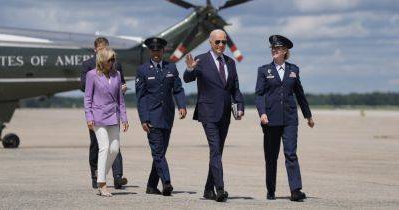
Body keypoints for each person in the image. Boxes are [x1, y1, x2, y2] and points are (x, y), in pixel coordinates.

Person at [184, 29, 244, 202]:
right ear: (210, 42)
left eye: (224, 42)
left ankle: (207, 189)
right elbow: (188, 78)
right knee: (215, 150)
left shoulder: (230, 62)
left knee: (217, 152)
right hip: (208, 113)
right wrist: (190, 69)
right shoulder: (201, 60)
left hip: (225, 114)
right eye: (217, 42)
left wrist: (239, 106)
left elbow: (235, 88)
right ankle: (220, 189)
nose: (221, 45)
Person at [255, 35, 315, 202]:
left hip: (290, 119)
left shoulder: (293, 70)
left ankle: (295, 190)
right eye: (273, 48)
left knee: (291, 154)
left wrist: (308, 115)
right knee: (271, 156)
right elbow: (259, 95)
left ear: (285, 51)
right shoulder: (263, 70)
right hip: (270, 119)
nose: (274, 50)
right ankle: (271, 190)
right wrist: (262, 113)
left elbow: (300, 94)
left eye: (278, 48)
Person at [135, 37, 187, 196]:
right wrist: (144, 119)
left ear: (163, 51)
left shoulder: (171, 67)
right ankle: (166, 183)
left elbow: (177, 89)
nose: (156, 53)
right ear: (150, 51)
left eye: (158, 50)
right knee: (158, 153)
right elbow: (141, 97)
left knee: (160, 153)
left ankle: (151, 186)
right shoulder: (143, 70)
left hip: (167, 117)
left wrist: (182, 105)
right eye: (153, 50)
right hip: (152, 118)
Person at [81, 37, 128, 189]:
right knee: (101, 147)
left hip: (113, 116)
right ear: (97, 52)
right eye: (110, 58)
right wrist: (89, 117)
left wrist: (124, 117)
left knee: (114, 149)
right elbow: (87, 96)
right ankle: (101, 182)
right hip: (98, 116)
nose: (112, 60)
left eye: (113, 58)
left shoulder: (117, 72)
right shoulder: (90, 71)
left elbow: (120, 97)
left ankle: (102, 174)